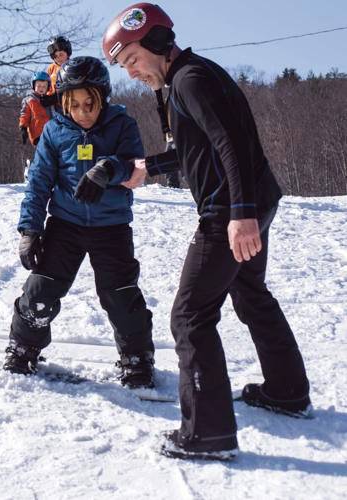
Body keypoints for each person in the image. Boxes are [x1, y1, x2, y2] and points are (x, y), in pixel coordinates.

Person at [103, 2, 311, 461]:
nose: (132, 73)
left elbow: (229, 143)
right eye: (123, 67)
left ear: (156, 42)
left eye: (132, 60)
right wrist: (146, 167)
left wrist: (240, 213)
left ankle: (208, 434)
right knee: (251, 293)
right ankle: (288, 391)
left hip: (230, 213)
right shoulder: (190, 77)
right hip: (252, 201)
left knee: (190, 316)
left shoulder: (190, 81)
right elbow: (195, 150)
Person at [3, 56, 156, 390]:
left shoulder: (121, 125)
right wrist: (30, 229)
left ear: (103, 99)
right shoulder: (54, 132)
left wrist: (107, 169)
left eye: (91, 104)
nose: (84, 113)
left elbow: (133, 164)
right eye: (75, 105)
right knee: (40, 290)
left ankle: (136, 357)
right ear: (63, 103)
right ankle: (23, 345)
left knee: (122, 297)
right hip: (66, 226)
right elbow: (39, 183)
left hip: (111, 227)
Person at [19, 71, 54, 146]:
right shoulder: (29, 100)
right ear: (34, 86)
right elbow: (24, 114)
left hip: (51, 133)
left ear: (48, 88)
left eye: (44, 86)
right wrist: (23, 128)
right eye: (39, 86)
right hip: (37, 134)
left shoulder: (50, 100)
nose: (41, 88)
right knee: (43, 151)